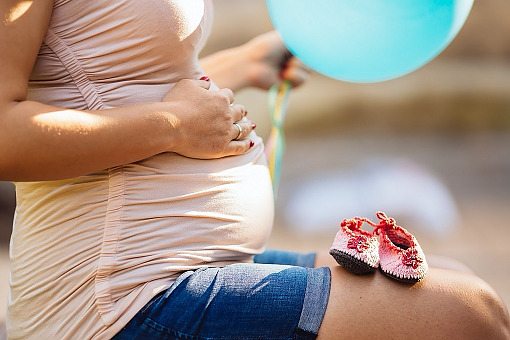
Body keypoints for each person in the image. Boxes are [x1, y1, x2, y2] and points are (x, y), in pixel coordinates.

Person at [1, 1, 508, 339]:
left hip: (186, 262)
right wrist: (174, 125)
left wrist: (243, 63)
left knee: (452, 277)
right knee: (466, 313)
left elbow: (119, 79)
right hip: (117, 297)